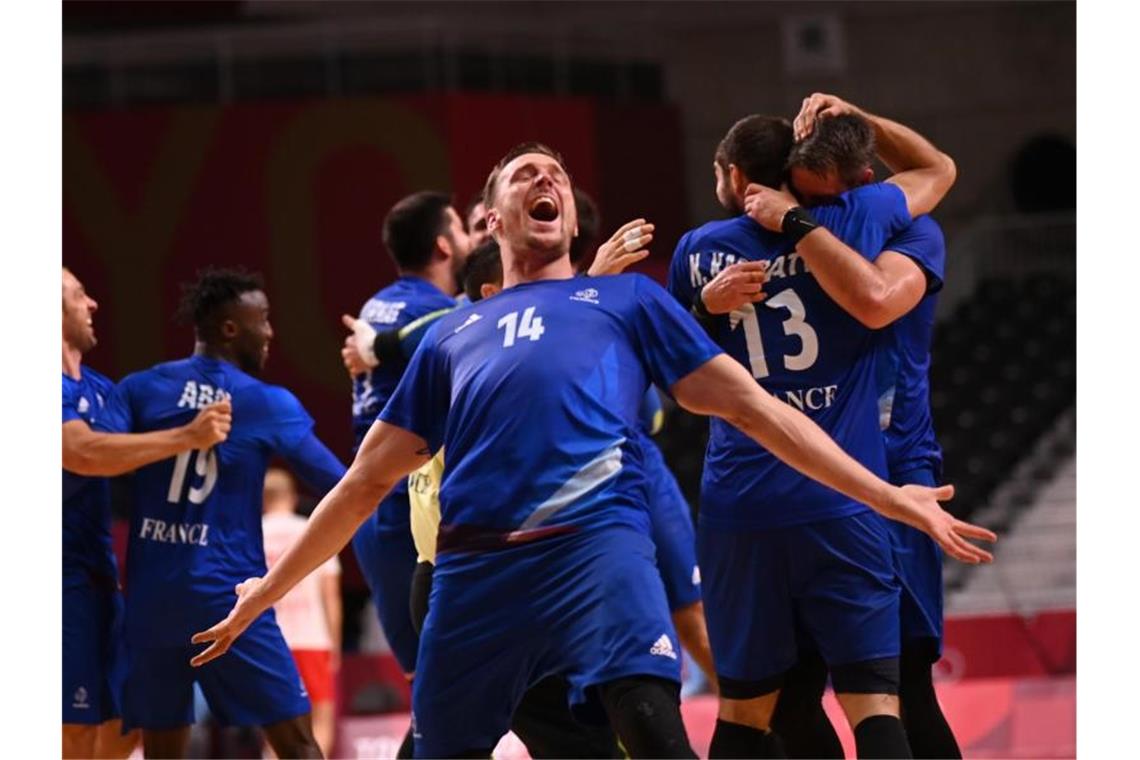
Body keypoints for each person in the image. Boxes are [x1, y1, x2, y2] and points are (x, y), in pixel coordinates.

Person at [191, 143, 992, 759]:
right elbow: (364, 484)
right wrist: (265, 592)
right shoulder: (451, 337)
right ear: (491, 219)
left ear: (572, 219)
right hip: (474, 571)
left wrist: (887, 495)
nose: (546, 179)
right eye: (523, 174)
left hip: (595, 550)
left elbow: (760, 411)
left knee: (651, 722)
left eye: (557, 177)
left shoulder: (628, 300)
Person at [667, 110, 957, 758]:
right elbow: (936, 169)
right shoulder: (864, 218)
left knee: (897, 687)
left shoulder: (905, 231)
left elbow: (877, 298)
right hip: (851, 487)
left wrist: (709, 296)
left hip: (876, 474)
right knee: (819, 695)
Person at [95, 268, 347, 759]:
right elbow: (342, 485)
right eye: (264, 320)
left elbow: (97, 456)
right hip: (229, 599)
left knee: (161, 750)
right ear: (231, 328)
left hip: (152, 600)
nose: (271, 333)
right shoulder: (266, 401)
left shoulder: (142, 388)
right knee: (297, 744)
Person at [62, 267, 231, 759]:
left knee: (121, 723)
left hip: (102, 580)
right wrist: (187, 437)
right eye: (78, 295)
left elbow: (131, 454)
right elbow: (82, 452)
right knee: (70, 729)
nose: (92, 304)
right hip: (56, 584)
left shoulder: (102, 388)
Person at [340, 194, 470, 734]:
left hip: (378, 511)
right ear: (443, 243)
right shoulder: (437, 314)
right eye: (462, 227)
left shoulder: (379, 306)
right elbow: (478, 314)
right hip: (416, 507)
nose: (470, 237)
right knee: (454, 689)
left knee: (433, 690)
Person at [262, 467, 343, 758]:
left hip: (269, 641)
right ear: (293, 497)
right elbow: (331, 596)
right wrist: (334, 644)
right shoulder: (313, 530)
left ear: (262, 500)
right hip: (312, 638)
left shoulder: (252, 534)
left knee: (276, 725)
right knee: (321, 717)